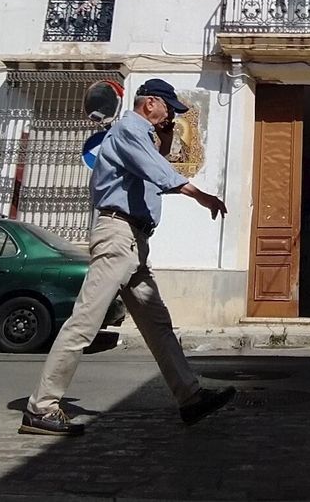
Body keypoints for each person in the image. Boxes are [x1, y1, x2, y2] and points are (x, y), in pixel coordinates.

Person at [19, 78, 234, 436]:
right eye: (167, 108)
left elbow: (157, 161)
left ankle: (190, 397)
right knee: (85, 322)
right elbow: (161, 173)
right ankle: (40, 407)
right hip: (117, 236)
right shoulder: (128, 129)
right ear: (150, 103)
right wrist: (201, 195)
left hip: (135, 241)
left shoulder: (144, 138)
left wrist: (164, 134)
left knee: (157, 325)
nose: (170, 116)